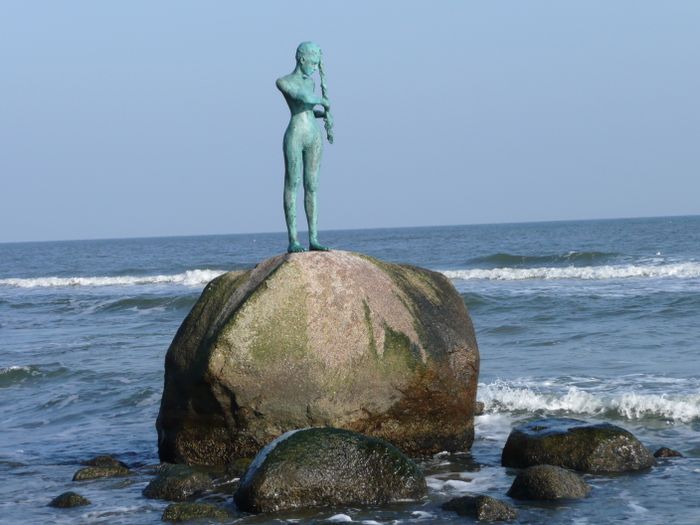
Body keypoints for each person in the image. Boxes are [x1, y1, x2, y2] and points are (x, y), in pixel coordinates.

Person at [276, 42, 334, 253]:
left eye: (318, 63)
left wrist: (323, 114)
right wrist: (323, 102)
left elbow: (308, 109)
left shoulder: (310, 83)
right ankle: (293, 239)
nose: (316, 67)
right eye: (313, 62)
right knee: (293, 183)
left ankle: (314, 238)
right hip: (295, 136)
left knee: (312, 186)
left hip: (313, 136)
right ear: (302, 59)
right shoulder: (283, 81)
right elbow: (303, 99)